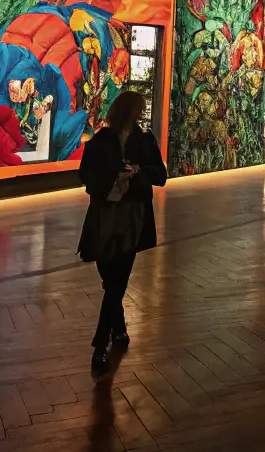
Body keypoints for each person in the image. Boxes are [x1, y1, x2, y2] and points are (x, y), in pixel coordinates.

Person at [77, 91, 167, 374]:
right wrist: (111, 179)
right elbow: (86, 176)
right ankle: (118, 327)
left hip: (131, 219)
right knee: (110, 279)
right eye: (138, 108)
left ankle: (100, 345)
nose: (140, 113)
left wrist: (137, 172)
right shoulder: (101, 141)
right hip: (105, 216)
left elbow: (160, 176)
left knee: (117, 281)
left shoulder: (144, 141)